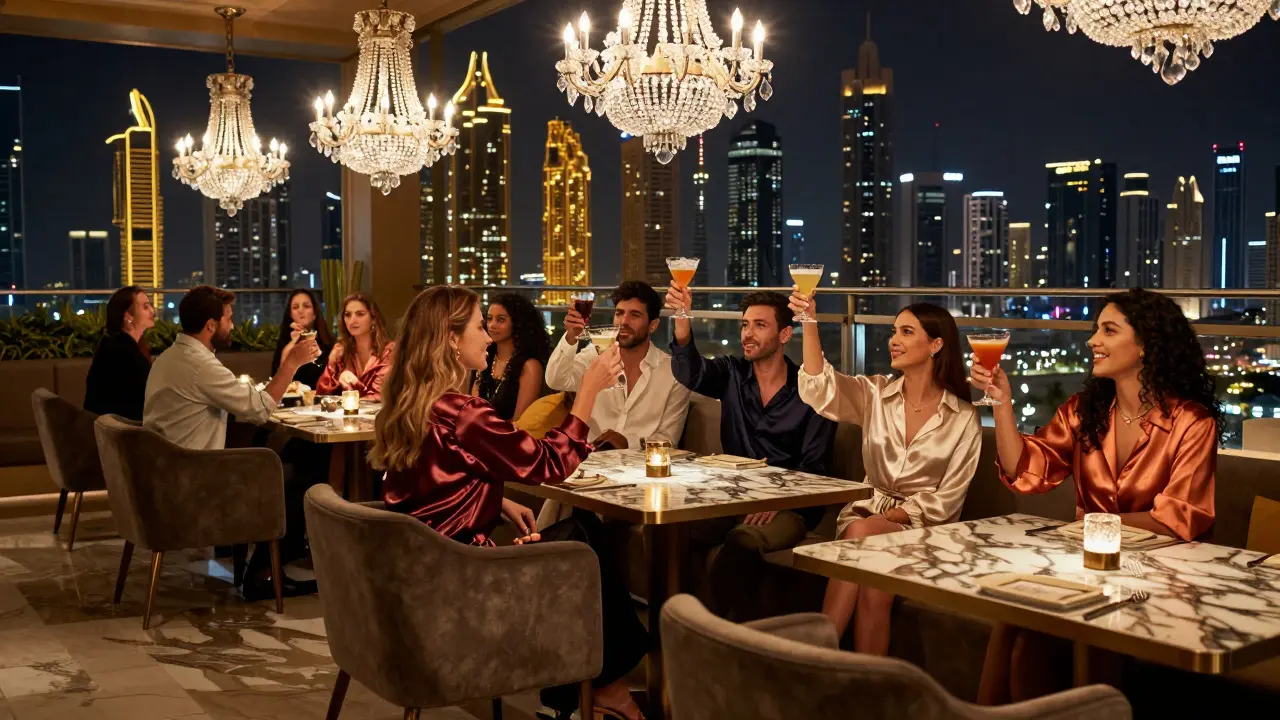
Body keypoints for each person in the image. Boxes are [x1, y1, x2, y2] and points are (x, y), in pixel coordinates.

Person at [371, 286, 647, 720]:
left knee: (578, 536)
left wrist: (493, 502)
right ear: (450, 339)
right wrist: (590, 390)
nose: (487, 336)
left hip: (420, 575)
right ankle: (604, 688)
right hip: (465, 581)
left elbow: (424, 482)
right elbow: (547, 463)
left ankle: (582, 693)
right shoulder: (464, 411)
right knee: (582, 545)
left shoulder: (412, 402)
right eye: (481, 326)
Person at [971, 288, 1221, 703]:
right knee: (1011, 616)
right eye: (1095, 329)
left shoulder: (1191, 422)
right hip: (1088, 566)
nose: (1092, 341)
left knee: (1032, 640)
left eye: (1108, 330)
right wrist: (1002, 404)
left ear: (1146, 344)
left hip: (1165, 577)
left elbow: (1179, 519)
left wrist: (1088, 525)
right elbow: (1027, 472)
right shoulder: (1082, 411)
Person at [791, 293, 981, 652]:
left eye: (907, 332)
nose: (894, 340)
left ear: (936, 344)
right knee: (875, 587)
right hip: (865, 517)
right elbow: (819, 387)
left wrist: (896, 514)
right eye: (894, 331)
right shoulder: (875, 394)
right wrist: (809, 322)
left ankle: (815, 658)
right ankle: (869, 690)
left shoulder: (963, 418)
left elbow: (949, 499)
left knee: (863, 537)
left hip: (927, 532)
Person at [666, 287, 837, 622]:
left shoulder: (813, 392)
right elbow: (689, 373)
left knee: (744, 541)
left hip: (789, 507)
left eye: (759, 325)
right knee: (670, 530)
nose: (747, 334)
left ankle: (706, 632)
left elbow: (816, 470)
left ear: (785, 334)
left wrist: (778, 501)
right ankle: (665, 626)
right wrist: (682, 319)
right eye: (745, 325)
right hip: (733, 496)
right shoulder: (731, 374)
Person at [143, 286, 321, 599]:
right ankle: (263, 573)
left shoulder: (170, 357)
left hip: (165, 478)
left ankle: (274, 562)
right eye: (229, 318)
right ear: (210, 326)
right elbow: (260, 407)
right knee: (293, 474)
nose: (233, 326)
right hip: (190, 489)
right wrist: (291, 363)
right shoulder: (200, 366)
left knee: (276, 455)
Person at [546, 281, 691, 451]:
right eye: (619, 313)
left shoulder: (674, 372)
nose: (624, 321)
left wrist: (628, 443)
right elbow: (556, 380)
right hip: (591, 463)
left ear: (653, 325)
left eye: (635, 315)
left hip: (641, 467)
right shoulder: (595, 356)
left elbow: (669, 439)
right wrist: (571, 336)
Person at [473, 293, 551, 421]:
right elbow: (472, 408)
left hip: (509, 437)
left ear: (518, 323)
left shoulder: (529, 366)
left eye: (501, 320)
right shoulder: (485, 358)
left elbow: (519, 422)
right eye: (489, 318)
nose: (492, 325)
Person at [84, 286, 155, 421]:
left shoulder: (113, 342)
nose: (152, 311)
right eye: (145, 307)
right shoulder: (123, 352)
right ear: (128, 316)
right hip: (118, 432)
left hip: (106, 427)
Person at [318, 293, 394, 400]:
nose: (352, 320)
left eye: (360, 314)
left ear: (373, 319)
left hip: (380, 415)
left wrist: (345, 401)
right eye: (347, 315)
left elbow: (379, 397)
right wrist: (333, 368)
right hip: (346, 415)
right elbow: (321, 395)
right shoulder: (340, 351)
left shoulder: (389, 352)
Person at [271, 289, 334, 388]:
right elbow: (277, 380)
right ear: (291, 315)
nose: (300, 310)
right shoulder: (286, 342)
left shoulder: (328, 343)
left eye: (306, 306)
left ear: (314, 313)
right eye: (295, 307)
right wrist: (294, 343)